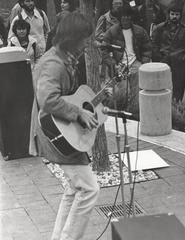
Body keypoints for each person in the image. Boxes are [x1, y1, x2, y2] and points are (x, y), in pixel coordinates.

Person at [30, 11, 103, 240]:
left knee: (73, 189)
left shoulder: (61, 57)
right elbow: (48, 100)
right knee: (90, 189)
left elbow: (67, 96)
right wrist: (78, 112)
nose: (85, 44)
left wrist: (94, 104)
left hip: (60, 131)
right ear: (72, 38)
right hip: (54, 133)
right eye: (83, 39)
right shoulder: (53, 64)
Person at [102, 4, 151, 116]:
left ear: (131, 17)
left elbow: (147, 47)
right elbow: (104, 50)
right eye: (123, 17)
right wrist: (114, 64)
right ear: (119, 18)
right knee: (123, 92)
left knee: (137, 92)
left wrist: (143, 62)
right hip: (119, 65)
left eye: (128, 17)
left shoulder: (140, 31)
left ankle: (134, 113)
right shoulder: (111, 31)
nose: (126, 20)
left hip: (135, 64)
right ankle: (119, 113)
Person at [152, 2, 185, 103]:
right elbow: (154, 43)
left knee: (179, 86)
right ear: (168, 14)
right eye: (172, 14)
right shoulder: (160, 28)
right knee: (161, 85)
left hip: (179, 60)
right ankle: (162, 104)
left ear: (180, 16)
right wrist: (159, 57)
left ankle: (176, 105)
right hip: (163, 59)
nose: (174, 17)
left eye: (177, 14)